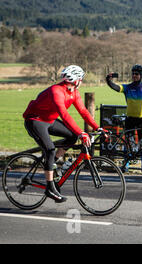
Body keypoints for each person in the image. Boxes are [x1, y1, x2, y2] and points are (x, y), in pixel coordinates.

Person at [23, 65, 102, 203]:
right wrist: (82, 132)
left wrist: (98, 127)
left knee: (72, 136)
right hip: (35, 121)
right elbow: (64, 115)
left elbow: (83, 112)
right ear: (76, 80)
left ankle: (52, 163)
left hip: (49, 120)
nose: (81, 82)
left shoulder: (74, 92)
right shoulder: (56, 91)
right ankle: (49, 188)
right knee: (50, 150)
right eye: (81, 79)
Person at [106, 64, 142, 173]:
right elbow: (115, 87)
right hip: (130, 120)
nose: (134, 75)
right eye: (133, 73)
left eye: (137, 74)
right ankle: (126, 166)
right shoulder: (128, 87)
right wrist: (108, 80)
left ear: (141, 75)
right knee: (128, 143)